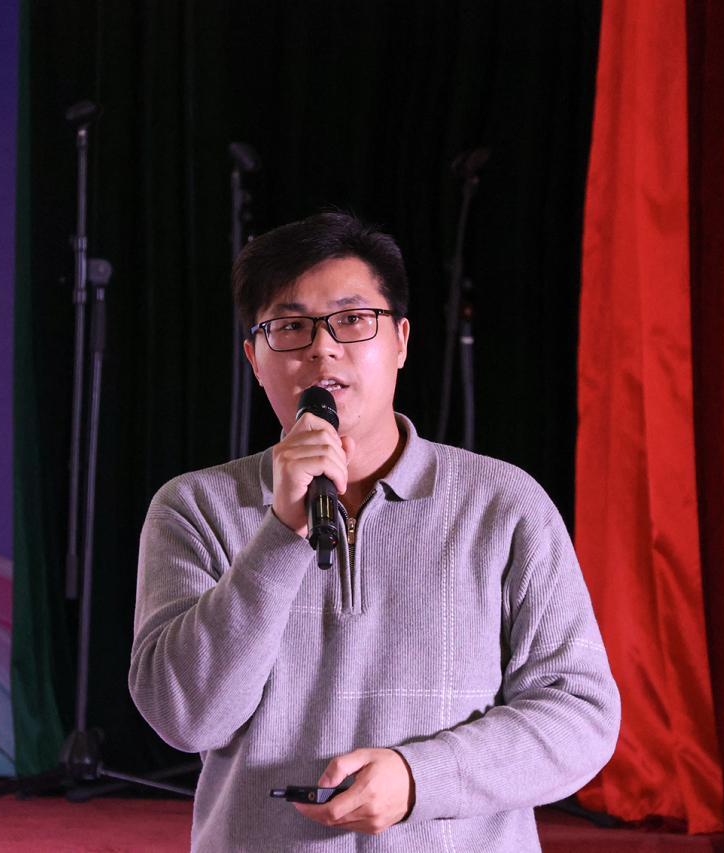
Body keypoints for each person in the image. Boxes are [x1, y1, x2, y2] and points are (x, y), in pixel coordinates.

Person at [129, 212, 619, 851]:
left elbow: (580, 715)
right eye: (290, 326)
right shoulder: (194, 508)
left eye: (353, 319)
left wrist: (420, 778)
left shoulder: (503, 503)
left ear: (402, 341)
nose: (321, 348)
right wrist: (280, 533)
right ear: (254, 358)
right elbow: (185, 718)